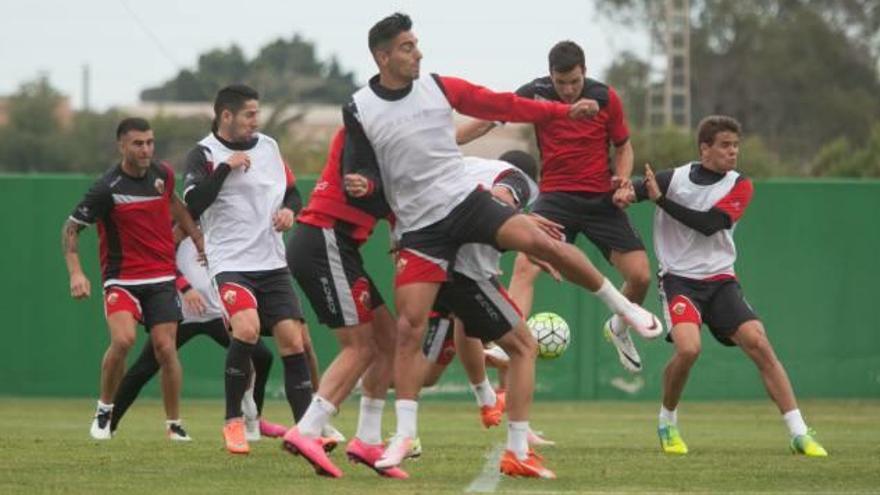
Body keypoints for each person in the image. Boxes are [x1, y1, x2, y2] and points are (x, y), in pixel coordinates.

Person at [326, 12, 663, 477]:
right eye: (407, 47)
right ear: (382, 56)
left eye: (416, 43)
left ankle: (620, 307)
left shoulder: (438, 86)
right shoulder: (360, 107)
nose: (417, 52)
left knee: (538, 239)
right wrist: (362, 182)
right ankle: (403, 434)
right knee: (409, 328)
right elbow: (360, 167)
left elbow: (502, 103)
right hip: (421, 230)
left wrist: (564, 111)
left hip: (462, 203)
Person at [630, 115, 827, 457]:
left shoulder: (740, 184)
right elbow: (629, 191)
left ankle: (799, 432)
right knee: (689, 349)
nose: (733, 152)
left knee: (759, 343)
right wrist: (621, 192)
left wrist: (660, 201)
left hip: (720, 281)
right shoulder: (673, 178)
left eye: (736, 145)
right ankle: (667, 422)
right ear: (704, 148)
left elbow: (709, 225)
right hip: (679, 281)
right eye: (725, 145)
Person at [457, 40, 650, 374]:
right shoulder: (536, 92)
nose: (568, 90)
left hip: (600, 201)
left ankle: (618, 329)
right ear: (550, 76)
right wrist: (454, 139)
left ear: (584, 73)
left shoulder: (606, 97)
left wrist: (621, 181)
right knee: (525, 266)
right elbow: (495, 114)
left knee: (641, 276)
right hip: (556, 199)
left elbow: (624, 149)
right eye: (561, 83)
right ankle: (509, 342)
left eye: (574, 82)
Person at [183, 84, 312, 455]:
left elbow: (292, 192)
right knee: (248, 328)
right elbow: (194, 203)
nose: (256, 120)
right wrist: (225, 167)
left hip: (272, 261)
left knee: (293, 340)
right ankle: (233, 422)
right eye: (249, 114)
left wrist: (290, 210)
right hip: (230, 263)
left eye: (257, 113)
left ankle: (306, 431)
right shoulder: (204, 153)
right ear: (227, 115)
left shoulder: (269, 147)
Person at [62, 117, 203, 441]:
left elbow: (177, 207)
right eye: (138, 143)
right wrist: (76, 273)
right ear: (122, 146)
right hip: (122, 280)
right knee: (124, 340)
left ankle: (174, 425)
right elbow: (70, 228)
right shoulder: (106, 188)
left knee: (166, 348)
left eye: (150, 142)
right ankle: (104, 409)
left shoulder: (163, 175)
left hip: (161, 278)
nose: (145, 149)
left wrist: (196, 237)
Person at [282, 127, 406, 479]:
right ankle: (307, 430)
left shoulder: (394, 146)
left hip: (340, 248)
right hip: (325, 239)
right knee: (360, 347)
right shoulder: (363, 131)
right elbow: (365, 182)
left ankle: (367, 440)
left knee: (388, 341)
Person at [109, 234, 283, 441]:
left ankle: (252, 421)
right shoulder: (178, 229)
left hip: (217, 313)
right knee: (144, 368)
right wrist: (186, 288)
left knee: (262, 356)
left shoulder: (221, 226)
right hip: (183, 314)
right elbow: (161, 263)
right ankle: (108, 424)